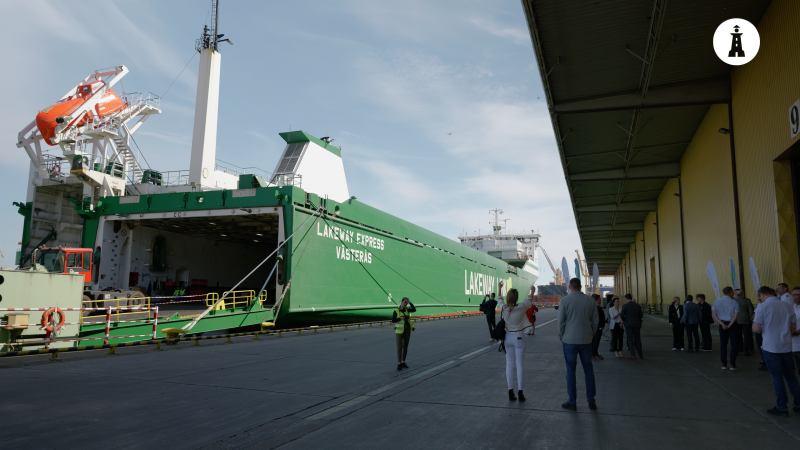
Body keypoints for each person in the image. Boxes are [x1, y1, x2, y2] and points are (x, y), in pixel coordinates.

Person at [752, 285, 800, 416]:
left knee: (777, 377)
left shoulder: (762, 307)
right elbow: (793, 326)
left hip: (771, 347)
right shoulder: (788, 306)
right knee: (790, 376)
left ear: (762, 294)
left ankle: (782, 407)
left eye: (759, 296)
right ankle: (798, 404)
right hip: (786, 346)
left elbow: (756, 328)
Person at [558, 278, 598, 411]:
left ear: (569, 287)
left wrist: (562, 335)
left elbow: (561, 322)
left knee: (570, 371)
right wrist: (590, 334)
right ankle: (591, 401)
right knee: (588, 370)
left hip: (569, 341)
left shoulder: (565, 300)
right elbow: (595, 321)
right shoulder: (591, 301)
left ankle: (572, 402)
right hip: (586, 340)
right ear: (581, 286)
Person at [498, 281, 534, 402]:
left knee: (509, 364)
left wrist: (499, 288)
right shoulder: (521, 307)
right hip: (519, 337)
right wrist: (532, 291)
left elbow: (499, 299)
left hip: (508, 338)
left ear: (508, 297)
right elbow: (529, 301)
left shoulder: (504, 308)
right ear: (517, 298)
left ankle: (510, 391)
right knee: (520, 365)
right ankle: (520, 393)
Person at [712, 287, 741, 370]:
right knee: (734, 344)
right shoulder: (734, 302)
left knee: (723, 344)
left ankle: (723, 364)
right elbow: (736, 315)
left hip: (722, 324)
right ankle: (733, 364)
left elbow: (714, 315)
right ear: (731, 292)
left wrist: (722, 324)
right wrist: (730, 324)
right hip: (733, 324)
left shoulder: (716, 301)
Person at [392, 297, 416, 371]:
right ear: (402, 301)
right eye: (404, 302)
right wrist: (400, 318)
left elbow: (414, 309)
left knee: (405, 346)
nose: (405, 304)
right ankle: (399, 363)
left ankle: (403, 362)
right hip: (399, 331)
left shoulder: (407, 309)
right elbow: (393, 320)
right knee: (399, 347)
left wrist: (410, 303)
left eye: (406, 302)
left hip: (407, 330)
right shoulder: (396, 311)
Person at [620, 294, 644, 359]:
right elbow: (641, 315)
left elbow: (622, 315)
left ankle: (633, 355)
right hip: (637, 324)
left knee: (630, 339)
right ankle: (640, 354)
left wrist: (625, 320)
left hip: (628, 324)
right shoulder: (637, 306)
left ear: (626, 298)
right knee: (637, 339)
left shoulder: (625, 306)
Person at [734, 289, 755, 356]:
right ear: (743, 294)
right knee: (746, 336)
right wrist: (751, 317)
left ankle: (739, 348)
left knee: (738, 335)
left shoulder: (734, 301)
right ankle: (746, 350)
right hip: (746, 320)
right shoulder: (747, 301)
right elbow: (751, 311)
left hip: (736, 320)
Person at [590, 294, 606, 360]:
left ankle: (591, 353)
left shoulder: (590, 308)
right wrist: (601, 327)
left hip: (590, 327)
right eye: (599, 299)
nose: (601, 300)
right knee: (596, 341)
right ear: (596, 300)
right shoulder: (598, 309)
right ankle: (595, 354)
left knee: (592, 341)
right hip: (598, 328)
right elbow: (601, 319)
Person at [791, 287, 800, 374]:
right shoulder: (792, 308)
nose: (797, 296)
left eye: (799, 294)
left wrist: (794, 332)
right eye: (795, 295)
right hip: (793, 346)